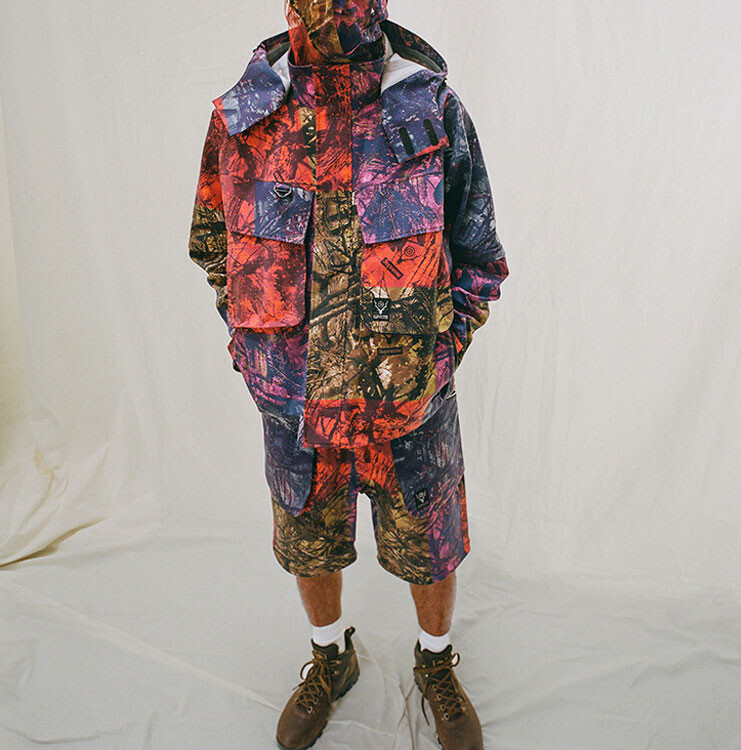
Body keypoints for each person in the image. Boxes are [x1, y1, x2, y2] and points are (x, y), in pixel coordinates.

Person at [188, 1, 509, 747]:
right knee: (308, 538)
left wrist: (439, 354)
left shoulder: (427, 108)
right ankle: (330, 657)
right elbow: (212, 244)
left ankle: (436, 662)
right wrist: (253, 349)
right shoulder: (246, 117)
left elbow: (478, 253)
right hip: (293, 401)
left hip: (409, 398)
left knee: (429, 539)